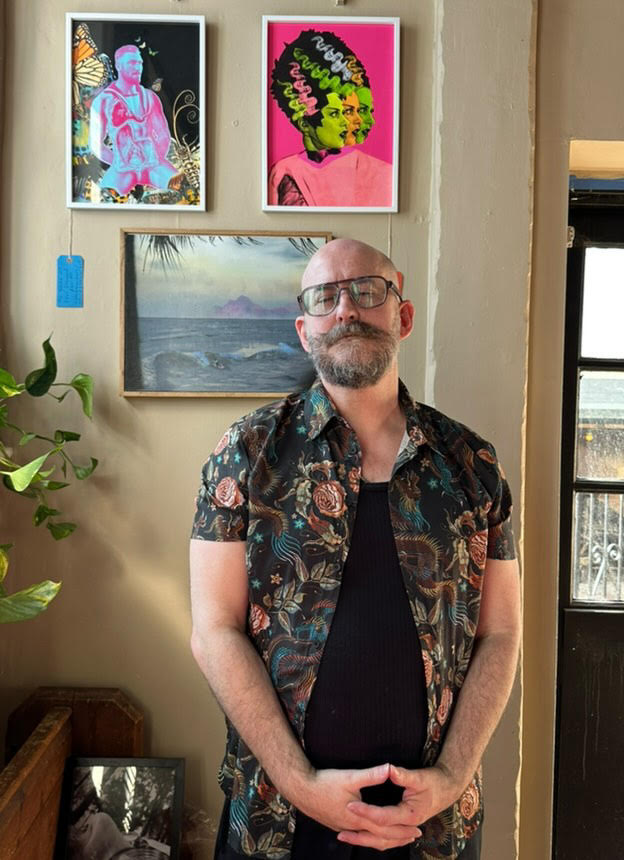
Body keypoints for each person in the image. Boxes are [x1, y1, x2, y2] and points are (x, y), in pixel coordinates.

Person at [190, 238, 521, 859]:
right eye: (325, 297)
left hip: (432, 823)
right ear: (304, 330)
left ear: (403, 315)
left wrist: (452, 778)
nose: (346, 308)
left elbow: (500, 634)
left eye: (367, 290)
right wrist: (301, 784)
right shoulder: (245, 454)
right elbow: (213, 631)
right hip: (278, 819)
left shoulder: (473, 465)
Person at [267, 31, 392, 207]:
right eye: (335, 114)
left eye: (345, 112)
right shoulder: (285, 171)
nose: (346, 122)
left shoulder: (379, 171)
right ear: (304, 124)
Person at [89, 44, 179, 197]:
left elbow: (163, 135)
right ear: (118, 65)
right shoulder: (104, 100)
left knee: (182, 189)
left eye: (140, 63)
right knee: (107, 198)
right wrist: (117, 161)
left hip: (153, 165)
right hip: (122, 170)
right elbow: (95, 144)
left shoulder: (150, 97)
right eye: (132, 63)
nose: (137, 67)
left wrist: (153, 159)